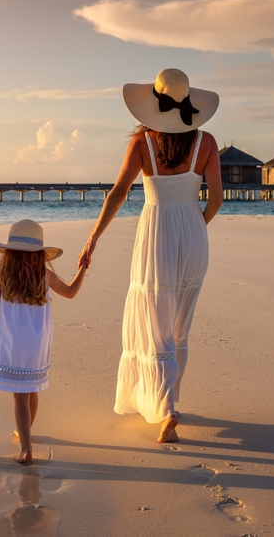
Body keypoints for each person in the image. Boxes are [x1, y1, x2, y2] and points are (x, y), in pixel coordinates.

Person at [79, 68, 223, 443]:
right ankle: (170, 400)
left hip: (156, 233)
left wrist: (93, 238)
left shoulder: (143, 144)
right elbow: (218, 199)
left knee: (155, 324)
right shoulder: (206, 141)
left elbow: (117, 195)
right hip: (193, 235)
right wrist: (194, 228)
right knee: (180, 327)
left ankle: (167, 409)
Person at [0, 219, 86, 465]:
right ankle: (24, 432)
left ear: (10, 252)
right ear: (39, 254)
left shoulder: (4, 272)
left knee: (19, 397)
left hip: (13, 342)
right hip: (37, 342)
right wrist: (83, 269)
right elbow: (70, 292)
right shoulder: (43, 273)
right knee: (31, 389)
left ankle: (26, 449)